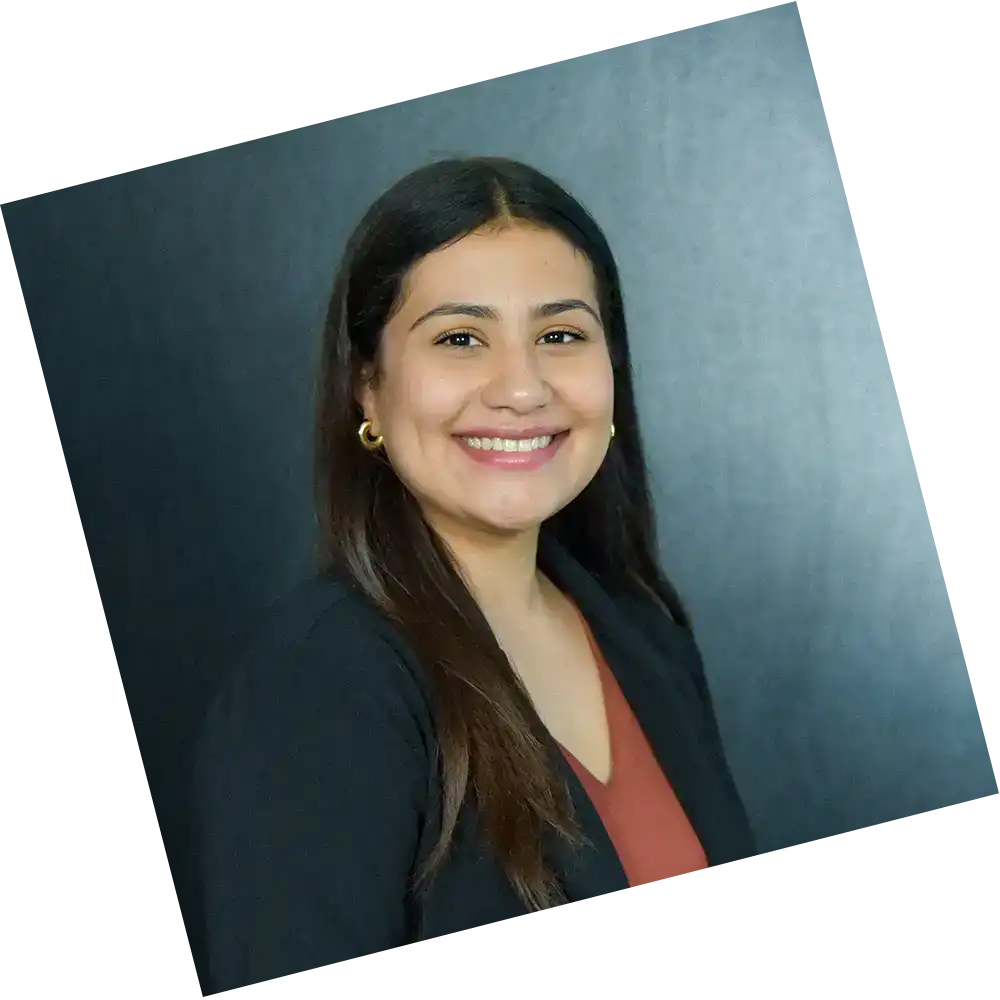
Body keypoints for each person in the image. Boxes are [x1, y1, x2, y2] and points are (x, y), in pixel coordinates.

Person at [194, 155, 758, 992]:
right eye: (461, 339)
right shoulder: (321, 682)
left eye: (560, 335)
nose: (522, 388)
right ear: (368, 391)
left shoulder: (645, 635)